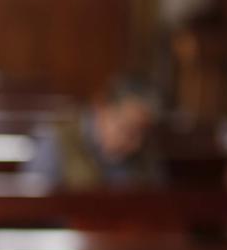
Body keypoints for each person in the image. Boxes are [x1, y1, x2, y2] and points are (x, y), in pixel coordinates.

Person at [25, 80, 165, 190]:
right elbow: (35, 210)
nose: (137, 144)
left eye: (143, 134)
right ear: (101, 109)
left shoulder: (147, 156)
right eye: (128, 131)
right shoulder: (55, 143)